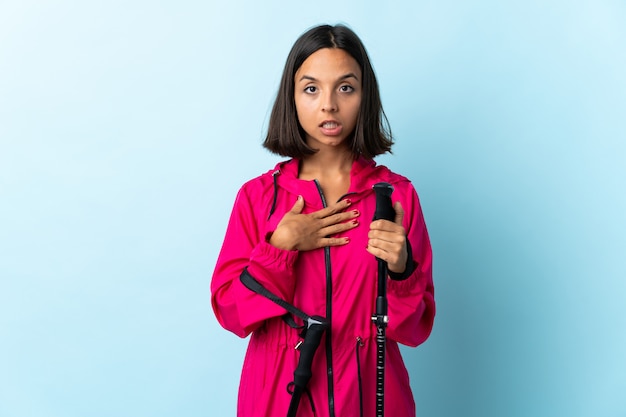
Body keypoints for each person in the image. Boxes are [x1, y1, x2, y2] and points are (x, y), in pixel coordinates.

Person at [211, 24, 435, 417]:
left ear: (364, 97)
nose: (328, 105)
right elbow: (230, 312)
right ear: (292, 98)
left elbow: (415, 329)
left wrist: (401, 270)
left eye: (345, 87)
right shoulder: (257, 198)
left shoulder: (396, 197)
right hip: (279, 398)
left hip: (372, 398)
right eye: (311, 88)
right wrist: (278, 250)